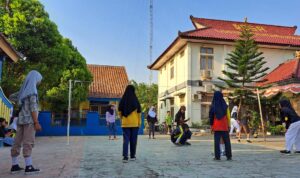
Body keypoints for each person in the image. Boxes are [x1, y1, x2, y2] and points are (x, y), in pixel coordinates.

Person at [10, 70, 42, 174]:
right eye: (38, 80)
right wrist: (36, 122)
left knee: (17, 142)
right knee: (28, 142)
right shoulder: (33, 92)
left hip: (20, 120)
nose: (39, 83)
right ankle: (28, 167)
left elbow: (11, 97)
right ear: (35, 79)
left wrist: (21, 95)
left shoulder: (23, 92)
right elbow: (33, 108)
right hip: (30, 121)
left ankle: (14, 165)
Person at [118, 85, 141, 163]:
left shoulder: (123, 100)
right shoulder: (136, 100)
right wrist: (139, 123)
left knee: (126, 140)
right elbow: (139, 113)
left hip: (125, 124)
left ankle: (125, 157)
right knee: (133, 140)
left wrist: (122, 119)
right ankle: (132, 156)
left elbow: (119, 112)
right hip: (135, 124)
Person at [209, 91, 232, 161]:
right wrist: (229, 125)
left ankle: (217, 157)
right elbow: (228, 116)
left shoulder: (213, 106)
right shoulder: (225, 105)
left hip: (216, 126)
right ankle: (229, 156)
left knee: (217, 142)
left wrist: (211, 126)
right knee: (227, 141)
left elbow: (211, 117)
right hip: (224, 125)